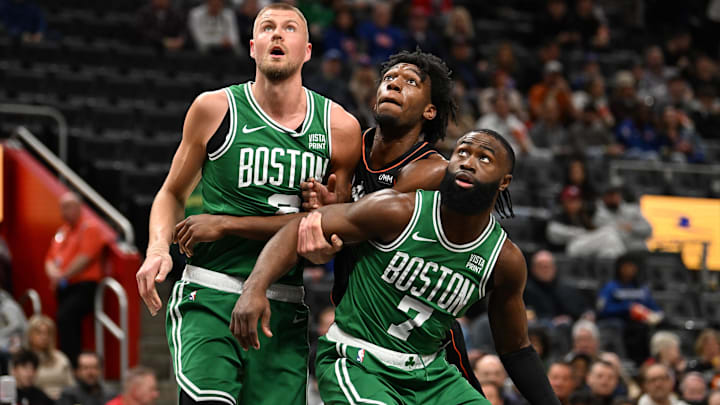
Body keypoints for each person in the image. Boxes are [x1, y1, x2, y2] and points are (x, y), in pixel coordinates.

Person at [135, 3, 361, 404]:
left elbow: (329, 240)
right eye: (268, 28)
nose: (277, 35)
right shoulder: (214, 108)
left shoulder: (340, 127)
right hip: (211, 294)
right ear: (252, 46)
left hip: (283, 306)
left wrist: (322, 220)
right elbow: (171, 192)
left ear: (307, 50)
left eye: (289, 28)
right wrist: (157, 250)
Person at [232, 130, 561, 404]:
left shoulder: (504, 259)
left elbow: (516, 348)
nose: (468, 162)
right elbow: (299, 227)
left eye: (483, 158)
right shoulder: (398, 211)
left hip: (431, 375)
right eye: (462, 152)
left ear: (504, 182)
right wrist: (254, 288)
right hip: (359, 360)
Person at [298, 50, 486, 394]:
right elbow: (332, 226)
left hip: (419, 340)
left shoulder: (430, 170)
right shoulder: (352, 146)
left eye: (410, 82)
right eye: (389, 79)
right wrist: (327, 205)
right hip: (363, 327)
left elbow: (363, 227)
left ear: (430, 110)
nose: (395, 84)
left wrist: (330, 216)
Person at [45, 192, 111, 366]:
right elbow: (50, 259)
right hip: (63, 288)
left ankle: (73, 364)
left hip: (84, 286)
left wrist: (62, 274)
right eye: (62, 207)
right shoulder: (62, 232)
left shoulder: (90, 227)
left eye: (67, 207)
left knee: (66, 317)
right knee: (64, 321)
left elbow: (86, 257)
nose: (63, 211)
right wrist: (53, 273)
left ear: (78, 207)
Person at [597, 253, 662, 364]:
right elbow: (603, 309)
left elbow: (653, 307)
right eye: (626, 266)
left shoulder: (641, 288)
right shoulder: (610, 287)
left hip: (641, 324)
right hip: (620, 323)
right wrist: (626, 308)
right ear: (619, 268)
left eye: (632, 266)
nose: (629, 270)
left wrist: (657, 314)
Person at [593, 179, 653, 252]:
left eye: (616, 194)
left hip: (638, 250)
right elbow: (610, 237)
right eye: (610, 195)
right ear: (604, 197)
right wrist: (627, 230)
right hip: (616, 252)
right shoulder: (599, 215)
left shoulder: (633, 210)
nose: (614, 198)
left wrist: (632, 228)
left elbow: (649, 230)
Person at [27, 315, 74, 400]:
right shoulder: (23, 359)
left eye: (47, 333)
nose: (44, 337)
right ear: (30, 335)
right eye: (39, 333)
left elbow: (71, 385)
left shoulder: (61, 357)